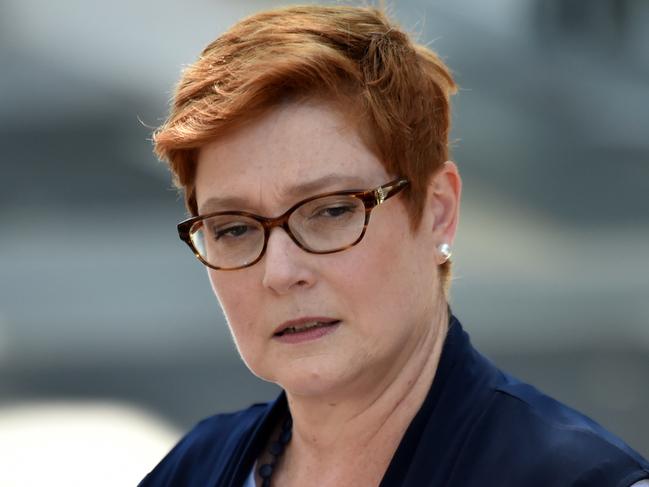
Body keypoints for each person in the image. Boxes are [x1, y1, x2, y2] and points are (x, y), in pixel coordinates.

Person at [139, 5, 649, 487]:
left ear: (438, 211)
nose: (280, 271)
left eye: (332, 211)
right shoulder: (195, 468)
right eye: (234, 228)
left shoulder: (570, 477)